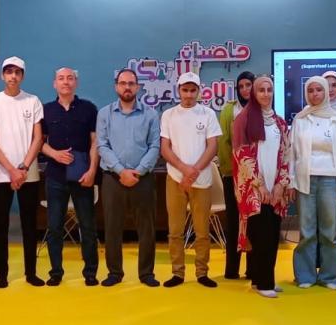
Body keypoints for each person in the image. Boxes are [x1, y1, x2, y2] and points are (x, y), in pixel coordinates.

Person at [0, 56, 45, 288]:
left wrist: (23, 167)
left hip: (28, 173)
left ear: (22, 76)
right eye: (9, 72)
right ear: (3, 75)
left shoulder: (33, 101)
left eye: (17, 72)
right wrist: (11, 169)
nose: (13, 76)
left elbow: (37, 138)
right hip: (2, 173)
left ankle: (31, 273)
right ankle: (1, 275)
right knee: (0, 225)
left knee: (30, 224)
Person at [96, 69, 161, 287]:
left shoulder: (150, 114)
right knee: (112, 227)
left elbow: (155, 146)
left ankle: (146, 273)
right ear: (116, 86)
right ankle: (114, 272)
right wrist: (120, 171)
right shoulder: (105, 114)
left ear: (138, 87)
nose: (127, 87)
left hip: (143, 178)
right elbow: (102, 145)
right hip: (113, 178)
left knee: (147, 228)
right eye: (123, 83)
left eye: (131, 83)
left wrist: (138, 171)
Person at [289, 76, 336, 289]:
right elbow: (292, 154)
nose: (315, 94)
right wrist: (290, 182)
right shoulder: (300, 119)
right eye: (311, 90)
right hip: (304, 180)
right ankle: (305, 276)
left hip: (330, 181)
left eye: (319, 90)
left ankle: (330, 277)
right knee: (306, 231)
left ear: (325, 92)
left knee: (329, 232)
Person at [160, 72, 222, 288]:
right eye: (185, 90)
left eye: (192, 90)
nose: (188, 94)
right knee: (175, 230)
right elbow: (165, 148)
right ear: (179, 91)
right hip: (175, 178)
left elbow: (212, 146)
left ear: (199, 91)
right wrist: (184, 170)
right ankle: (177, 272)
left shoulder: (208, 114)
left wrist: (194, 171)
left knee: (202, 231)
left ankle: (202, 272)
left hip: (201, 180)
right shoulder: (168, 115)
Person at [232, 76, 291, 298]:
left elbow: (286, 154)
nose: (266, 94)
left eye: (269, 90)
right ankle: (264, 282)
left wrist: (280, 185)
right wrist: (260, 186)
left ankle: (263, 279)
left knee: (273, 234)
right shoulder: (244, 119)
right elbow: (241, 155)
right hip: (253, 188)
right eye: (261, 90)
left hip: (274, 188)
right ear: (254, 94)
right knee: (260, 235)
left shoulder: (280, 123)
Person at [41, 67, 99, 286]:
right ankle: (56, 272)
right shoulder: (46, 110)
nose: (66, 82)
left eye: (70, 78)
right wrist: (54, 154)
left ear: (76, 83)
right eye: (61, 78)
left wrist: (92, 171)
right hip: (55, 177)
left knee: (88, 226)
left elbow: (95, 142)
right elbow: (39, 142)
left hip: (83, 176)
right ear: (54, 83)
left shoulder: (89, 109)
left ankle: (90, 272)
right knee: (55, 227)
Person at [218, 71, 255, 280]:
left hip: (255, 178)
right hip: (232, 174)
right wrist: (231, 170)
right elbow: (223, 142)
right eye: (241, 86)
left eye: (248, 85)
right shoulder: (229, 110)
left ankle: (252, 269)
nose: (245, 90)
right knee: (233, 222)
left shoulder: (263, 109)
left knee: (253, 222)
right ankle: (231, 269)